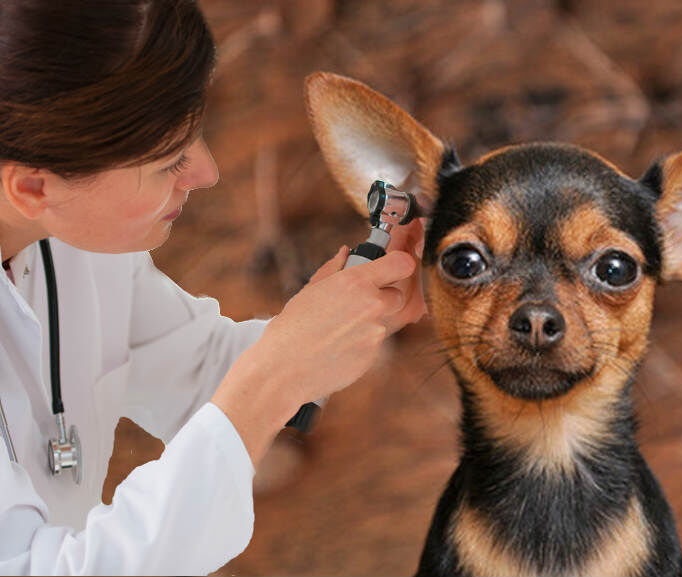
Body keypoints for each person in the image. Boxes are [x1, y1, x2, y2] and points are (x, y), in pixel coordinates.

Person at [0, 1, 425, 574]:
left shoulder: (72, 240)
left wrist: (351, 313)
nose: (206, 172)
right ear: (32, 188)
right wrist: (277, 375)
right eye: (168, 161)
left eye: (193, 136)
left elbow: (200, 374)